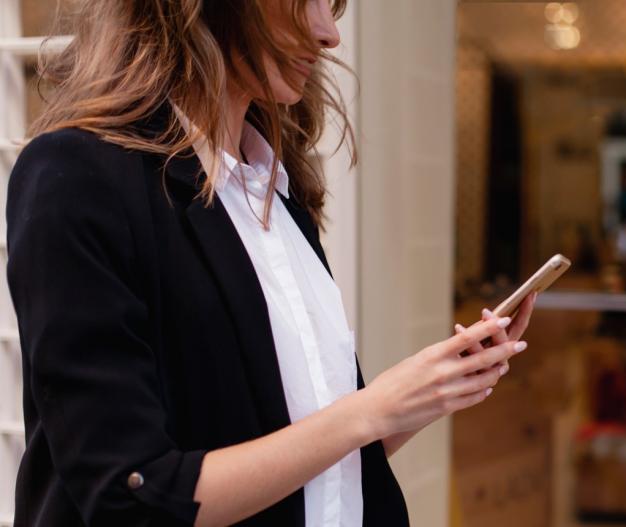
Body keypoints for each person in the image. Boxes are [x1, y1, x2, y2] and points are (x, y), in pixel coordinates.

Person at [6, 1, 536, 526]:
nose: (329, 35)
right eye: (307, 4)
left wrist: (428, 391)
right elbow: (132, 496)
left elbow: (308, 463)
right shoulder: (76, 178)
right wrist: (371, 409)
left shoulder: (275, 191)